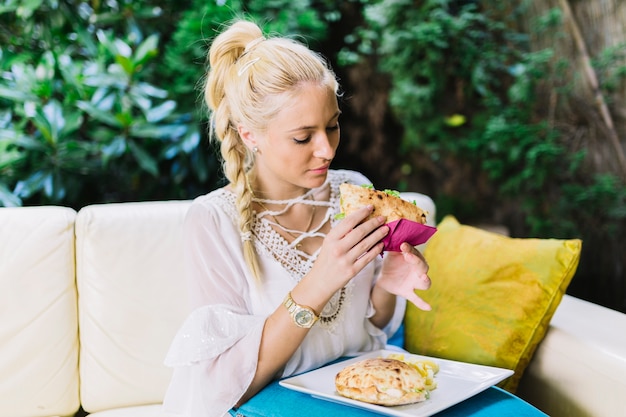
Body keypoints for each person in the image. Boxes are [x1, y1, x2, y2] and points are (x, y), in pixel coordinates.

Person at [162, 19, 432, 417]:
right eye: (303, 137)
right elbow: (226, 389)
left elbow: (368, 332)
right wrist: (319, 282)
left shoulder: (354, 190)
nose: (326, 150)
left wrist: (389, 282)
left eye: (333, 125)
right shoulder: (213, 222)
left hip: (361, 394)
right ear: (250, 134)